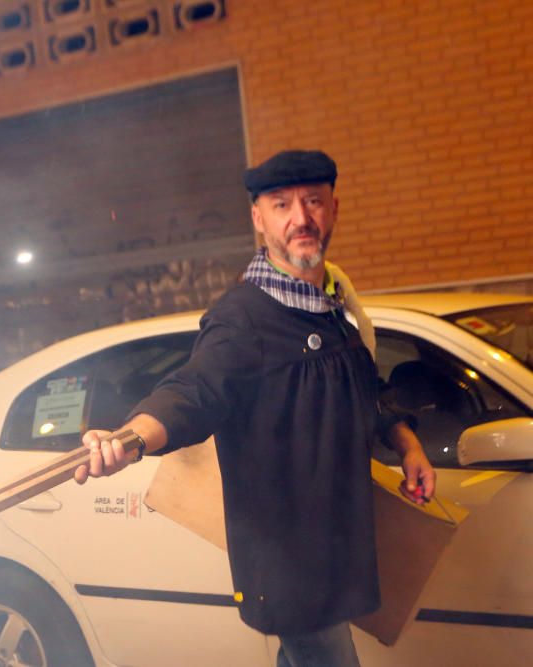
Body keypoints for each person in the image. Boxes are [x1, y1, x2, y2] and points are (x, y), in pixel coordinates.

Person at [73, 149, 436, 667]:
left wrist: (408, 444)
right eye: (282, 204)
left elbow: (362, 390)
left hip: (338, 544)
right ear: (258, 218)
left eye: (312, 201)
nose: (300, 218)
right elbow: (194, 390)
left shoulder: (336, 305)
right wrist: (129, 440)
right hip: (290, 560)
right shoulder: (244, 318)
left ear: (333, 208)